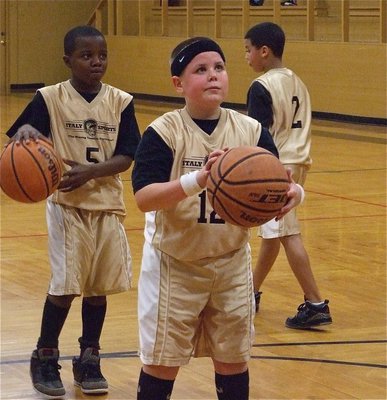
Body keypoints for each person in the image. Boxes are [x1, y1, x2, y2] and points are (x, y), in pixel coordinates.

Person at [131, 36, 304, 400]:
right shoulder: (163, 132)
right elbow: (144, 199)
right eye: (201, 69)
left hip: (230, 263)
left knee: (234, 361)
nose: (213, 76)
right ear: (178, 84)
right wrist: (200, 180)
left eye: (219, 68)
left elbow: (281, 182)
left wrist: (294, 195)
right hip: (174, 264)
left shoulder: (251, 131)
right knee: (162, 363)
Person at [6, 25, 141, 398]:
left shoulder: (120, 101)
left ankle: (89, 356)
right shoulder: (48, 98)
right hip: (66, 203)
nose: (96, 62)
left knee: (98, 289)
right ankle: (45, 354)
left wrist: (93, 172)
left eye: (102, 55)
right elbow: (23, 132)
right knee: (66, 286)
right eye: (86, 56)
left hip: (107, 204)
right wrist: (28, 129)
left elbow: (128, 155)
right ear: (67, 60)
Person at [244, 22, 332, 329]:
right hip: (300, 160)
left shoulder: (262, 86)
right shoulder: (298, 82)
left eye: (248, 49)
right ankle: (250, 293)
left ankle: (315, 302)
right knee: (274, 233)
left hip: (277, 165)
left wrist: (251, 168)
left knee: (288, 232)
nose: (247, 57)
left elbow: (258, 134)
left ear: (264, 51)